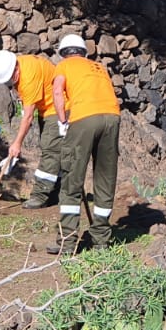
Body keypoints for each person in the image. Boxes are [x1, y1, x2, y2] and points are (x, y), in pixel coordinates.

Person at [50, 33, 122, 254]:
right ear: (83, 52)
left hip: (84, 119)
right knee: (105, 177)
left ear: (64, 53)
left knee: (72, 176)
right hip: (112, 117)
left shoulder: (64, 66)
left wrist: (62, 120)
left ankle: (68, 241)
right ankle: (101, 239)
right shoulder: (99, 67)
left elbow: (57, 91)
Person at [0, 49, 62, 209]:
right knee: (54, 150)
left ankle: (40, 195)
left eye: (10, 80)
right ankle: (57, 193)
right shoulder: (22, 63)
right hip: (48, 109)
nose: (11, 84)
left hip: (58, 109)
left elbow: (28, 117)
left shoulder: (28, 77)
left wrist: (17, 144)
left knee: (51, 151)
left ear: (16, 69)